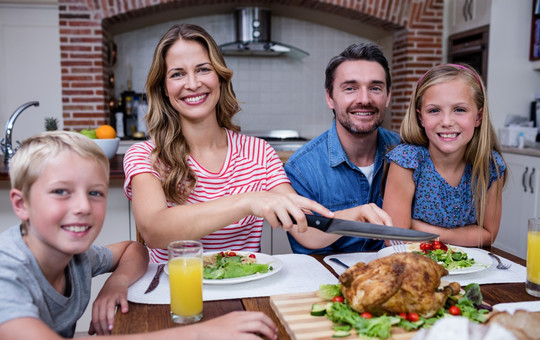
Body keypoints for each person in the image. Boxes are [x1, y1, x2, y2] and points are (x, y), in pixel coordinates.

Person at [0, 131, 278, 340]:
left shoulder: (77, 257)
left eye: (95, 192)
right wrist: (201, 335)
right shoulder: (6, 269)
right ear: (21, 204)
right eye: (61, 192)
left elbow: (133, 249)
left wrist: (117, 283)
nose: (83, 206)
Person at [124, 23, 372, 263]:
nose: (192, 83)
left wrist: (354, 216)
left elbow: (304, 229)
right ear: (164, 88)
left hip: (247, 292)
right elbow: (154, 232)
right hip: (176, 296)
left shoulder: (259, 153)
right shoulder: (146, 155)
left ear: (219, 77)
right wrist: (248, 201)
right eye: (178, 74)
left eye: (203, 69)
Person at [284, 43, 399, 254]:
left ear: (387, 96)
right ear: (330, 98)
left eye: (375, 88)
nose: (364, 99)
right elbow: (307, 235)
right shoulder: (302, 168)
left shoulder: (405, 154)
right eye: (350, 88)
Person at [383, 64, 507, 247]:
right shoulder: (407, 161)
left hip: (470, 268)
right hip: (413, 266)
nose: (447, 122)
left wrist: (427, 231)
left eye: (460, 110)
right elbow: (395, 238)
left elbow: (487, 235)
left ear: (478, 117)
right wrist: (465, 235)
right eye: (434, 110)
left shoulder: (489, 165)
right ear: (421, 118)